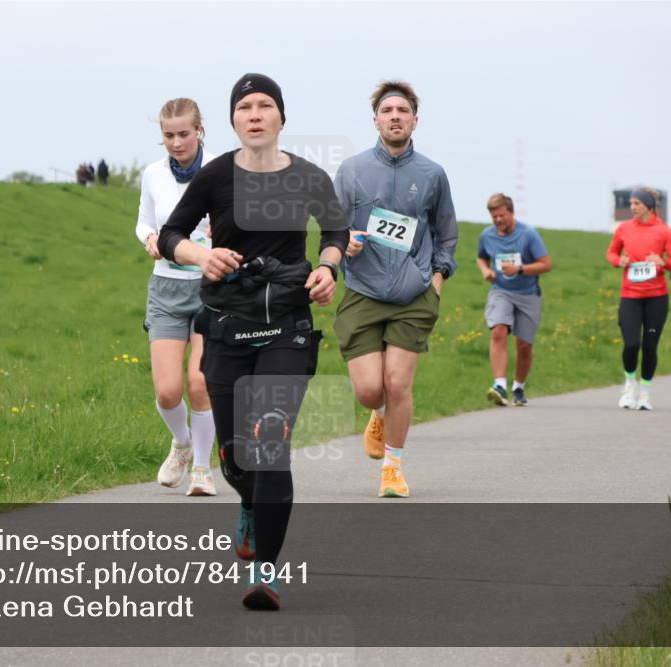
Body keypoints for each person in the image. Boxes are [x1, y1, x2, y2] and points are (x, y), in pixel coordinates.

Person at [158, 73, 348, 610]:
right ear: (234, 120)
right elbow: (171, 235)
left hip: (287, 324)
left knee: (270, 440)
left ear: (282, 117)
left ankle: (265, 572)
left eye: (266, 105)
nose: (256, 113)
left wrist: (329, 268)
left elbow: (335, 231)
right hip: (227, 324)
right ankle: (246, 501)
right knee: (239, 459)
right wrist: (202, 255)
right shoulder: (215, 177)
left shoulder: (309, 176)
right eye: (246, 106)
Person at [334, 80, 458, 498]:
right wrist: (344, 240)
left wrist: (436, 282)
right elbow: (332, 228)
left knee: (398, 384)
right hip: (362, 291)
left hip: (413, 294)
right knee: (371, 388)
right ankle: (377, 413)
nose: (395, 117)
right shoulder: (351, 170)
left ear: (415, 121)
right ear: (375, 120)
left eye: (402, 111)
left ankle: (393, 467)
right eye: (387, 111)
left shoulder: (432, 174)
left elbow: (446, 235)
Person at [135, 98, 217, 496]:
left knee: (199, 381)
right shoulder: (152, 174)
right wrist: (150, 238)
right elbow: (144, 222)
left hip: (210, 287)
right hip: (166, 287)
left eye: (184, 134)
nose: (176, 142)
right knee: (168, 390)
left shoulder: (223, 170)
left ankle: (202, 468)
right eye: (168, 136)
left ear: (199, 130)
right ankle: (182, 444)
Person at [605, 187, 671, 410]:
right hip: (630, 296)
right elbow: (610, 253)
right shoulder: (624, 229)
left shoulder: (664, 231)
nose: (632, 207)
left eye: (637, 203)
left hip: (656, 297)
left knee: (649, 347)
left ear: (649, 205)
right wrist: (617, 260)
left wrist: (663, 262)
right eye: (630, 203)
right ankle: (630, 385)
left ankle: (645, 393)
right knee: (631, 344)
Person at [476, 193, 552, 407]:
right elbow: (481, 256)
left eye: (501, 215)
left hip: (528, 294)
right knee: (498, 330)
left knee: (524, 345)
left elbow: (546, 264)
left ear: (511, 212)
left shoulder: (528, 234)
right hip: (501, 290)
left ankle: (518, 386)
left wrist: (519, 269)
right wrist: (485, 270)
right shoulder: (487, 235)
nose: (498, 220)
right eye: (494, 217)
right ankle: (499, 385)